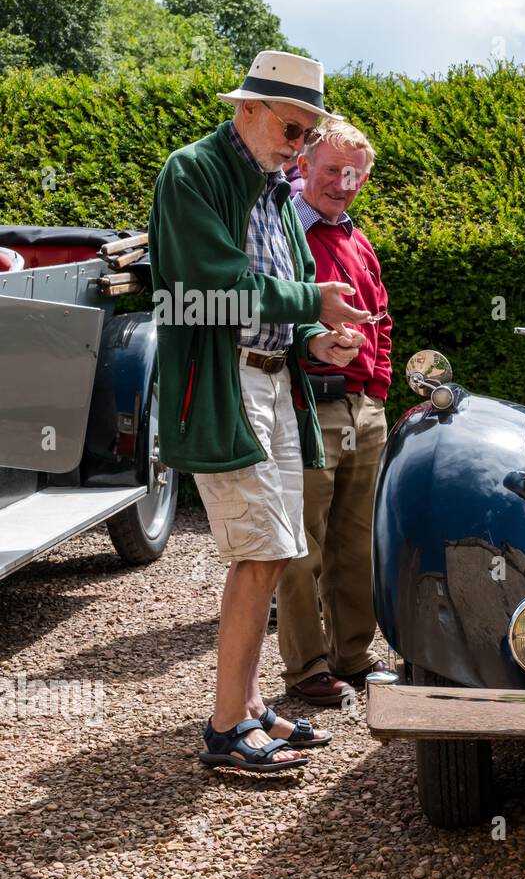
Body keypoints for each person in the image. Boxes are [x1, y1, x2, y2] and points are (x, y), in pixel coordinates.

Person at [149, 50, 373, 772]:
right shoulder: (193, 172)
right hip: (226, 382)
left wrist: (320, 339)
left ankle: (246, 708)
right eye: (290, 125)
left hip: (276, 381)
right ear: (245, 108)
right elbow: (210, 284)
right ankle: (223, 729)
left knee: (275, 550)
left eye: (307, 131)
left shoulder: (273, 185)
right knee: (264, 551)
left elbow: (292, 283)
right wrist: (309, 306)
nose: (299, 143)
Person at [277, 119, 392, 703]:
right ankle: (306, 668)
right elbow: (268, 310)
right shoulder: (286, 230)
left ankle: (353, 655)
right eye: (331, 170)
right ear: (303, 166)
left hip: (362, 408)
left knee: (356, 543)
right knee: (301, 545)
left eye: (354, 174)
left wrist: (377, 391)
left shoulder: (356, 237)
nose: (343, 184)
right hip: (307, 402)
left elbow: (382, 318)